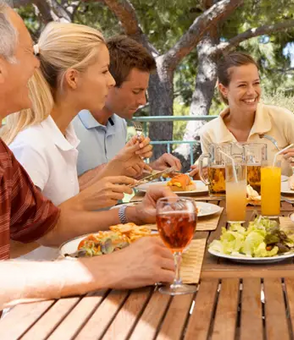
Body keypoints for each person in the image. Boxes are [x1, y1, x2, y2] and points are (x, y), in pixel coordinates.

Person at [0, 2, 175, 311]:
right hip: (29, 310)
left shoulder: (15, 152)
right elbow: (22, 246)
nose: (37, 66)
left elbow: (46, 226)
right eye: (29, 54)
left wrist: (130, 214)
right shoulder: (31, 144)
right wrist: (110, 269)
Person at [0, 22, 153, 208]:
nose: (111, 81)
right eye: (104, 71)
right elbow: (27, 234)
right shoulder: (31, 146)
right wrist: (124, 213)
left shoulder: (66, 135)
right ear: (72, 78)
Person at [72, 35, 181, 189]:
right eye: (136, 91)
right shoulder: (68, 126)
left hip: (115, 213)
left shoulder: (119, 124)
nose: (143, 101)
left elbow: (116, 177)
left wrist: (154, 169)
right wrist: (116, 164)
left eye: (144, 92)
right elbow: (58, 199)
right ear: (109, 83)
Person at [199, 51, 294, 176]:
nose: (252, 92)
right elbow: (210, 184)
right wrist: (201, 175)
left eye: (256, 83)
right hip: (230, 199)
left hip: (279, 198)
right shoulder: (209, 133)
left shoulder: (282, 118)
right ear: (223, 89)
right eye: (242, 85)